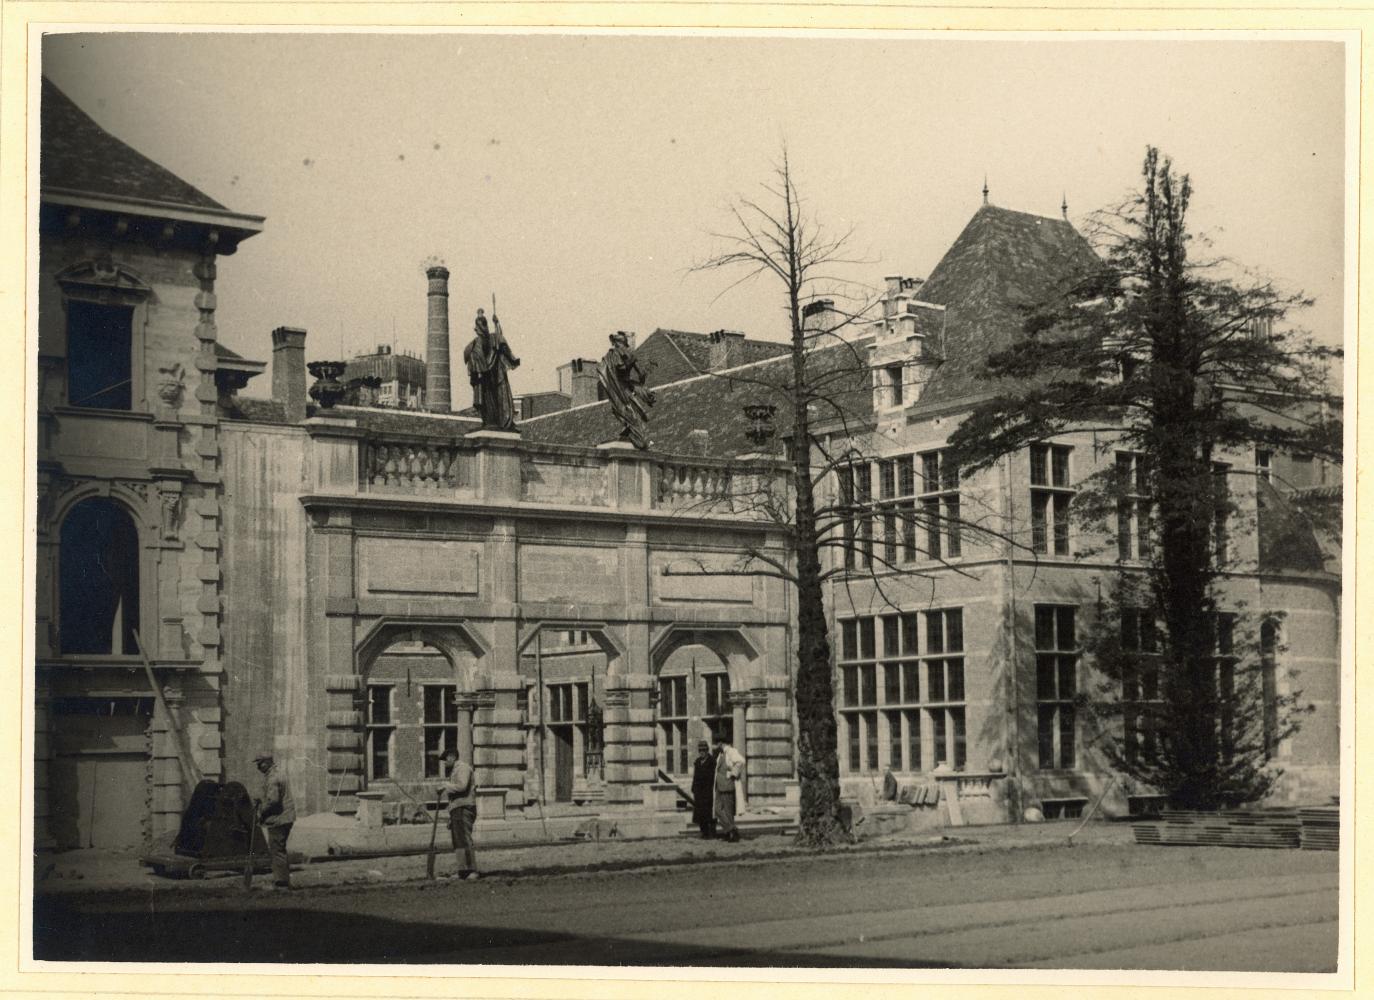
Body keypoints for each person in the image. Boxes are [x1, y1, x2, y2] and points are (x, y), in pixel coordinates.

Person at [463, 308, 520, 431]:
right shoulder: (475, 344)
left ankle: (495, 421)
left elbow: (500, 338)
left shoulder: (492, 338)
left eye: (482, 325)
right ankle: (489, 421)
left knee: (496, 399)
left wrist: (497, 323)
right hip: (483, 379)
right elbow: (472, 359)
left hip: (493, 376)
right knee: (486, 400)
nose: (480, 330)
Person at [598, 331, 656, 449]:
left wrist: (646, 369)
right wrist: (632, 361)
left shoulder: (625, 354)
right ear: (616, 344)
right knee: (624, 409)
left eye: (623, 344)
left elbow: (640, 375)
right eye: (620, 344)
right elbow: (621, 368)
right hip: (618, 387)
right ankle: (633, 431)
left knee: (633, 410)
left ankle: (635, 433)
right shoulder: (613, 355)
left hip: (625, 387)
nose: (621, 347)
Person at [253, 752, 296, 889]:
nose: (258, 767)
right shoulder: (278, 774)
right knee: (279, 849)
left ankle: (281, 883)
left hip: (279, 819)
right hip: (284, 818)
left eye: (260, 763)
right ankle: (282, 881)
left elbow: (273, 801)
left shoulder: (272, 778)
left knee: (277, 850)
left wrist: (260, 812)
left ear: (267, 762)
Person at [441, 747, 480, 880]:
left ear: (452, 757)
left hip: (464, 807)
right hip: (457, 808)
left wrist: (445, 786)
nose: (444, 763)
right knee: (458, 840)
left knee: (465, 839)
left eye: (445, 760)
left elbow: (462, 786)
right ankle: (462, 870)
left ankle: (472, 870)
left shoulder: (463, 768)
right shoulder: (454, 771)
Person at [713, 734, 745, 843]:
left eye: (717, 743)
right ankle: (731, 829)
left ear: (721, 743)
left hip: (727, 785)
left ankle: (731, 834)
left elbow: (740, 761)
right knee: (717, 810)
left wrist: (733, 773)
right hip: (719, 786)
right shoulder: (721, 754)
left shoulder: (730, 751)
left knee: (728, 811)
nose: (716, 745)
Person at [690, 739, 718, 839]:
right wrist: (693, 788)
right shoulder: (697, 762)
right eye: (700, 750)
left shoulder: (712, 761)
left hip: (708, 791)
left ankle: (711, 832)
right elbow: (695, 776)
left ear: (707, 750)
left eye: (704, 750)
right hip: (699, 792)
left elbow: (713, 777)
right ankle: (704, 832)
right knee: (700, 814)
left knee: (709, 813)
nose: (702, 752)